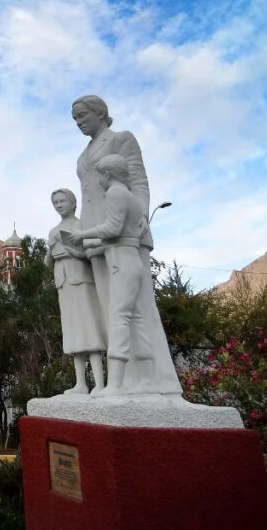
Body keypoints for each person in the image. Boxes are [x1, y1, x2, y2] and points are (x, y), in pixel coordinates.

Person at [71, 94, 181, 395]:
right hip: (95, 233)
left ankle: (157, 380)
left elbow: (138, 181)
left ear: (100, 112)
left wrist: (141, 214)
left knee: (136, 307)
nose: (78, 122)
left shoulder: (121, 139)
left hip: (124, 233)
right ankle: (124, 380)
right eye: (75, 118)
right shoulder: (83, 155)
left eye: (82, 115)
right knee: (111, 309)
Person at [70, 156, 155, 395]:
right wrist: (94, 244)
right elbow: (125, 234)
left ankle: (116, 384)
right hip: (127, 259)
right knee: (134, 319)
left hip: (122, 264)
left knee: (119, 318)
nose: (98, 181)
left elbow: (113, 228)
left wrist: (83, 235)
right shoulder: (131, 197)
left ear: (107, 173)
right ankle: (147, 380)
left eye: (99, 175)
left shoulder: (116, 194)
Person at [44, 188, 106, 394]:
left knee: (90, 327)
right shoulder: (53, 231)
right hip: (63, 281)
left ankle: (100, 384)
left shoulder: (83, 226)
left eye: (62, 201)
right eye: (55, 203)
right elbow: (47, 263)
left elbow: (94, 252)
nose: (59, 205)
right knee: (73, 331)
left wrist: (74, 251)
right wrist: (50, 249)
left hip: (82, 278)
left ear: (73, 203)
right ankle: (80, 384)